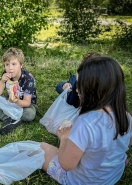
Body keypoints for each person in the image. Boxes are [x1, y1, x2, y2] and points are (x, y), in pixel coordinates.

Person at [40, 56, 132, 184]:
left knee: (42, 148)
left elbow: (67, 164)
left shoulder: (85, 123)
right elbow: (128, 142)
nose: (77, 89)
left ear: (92, 90)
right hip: (112, 177)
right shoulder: (126, 116)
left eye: (80, 85)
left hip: (82, 181)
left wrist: (64, 138)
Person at [0, 47, 37, 135]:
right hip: (10, 100)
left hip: (26, 105)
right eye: (7, 64)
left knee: (29, 115)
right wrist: (2, 81)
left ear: (21, 65)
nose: (10, 68)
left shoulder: (28, 79)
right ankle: (8, 119)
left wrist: (17, 101)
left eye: (14, 64)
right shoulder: (5, 74)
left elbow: (27, 103)